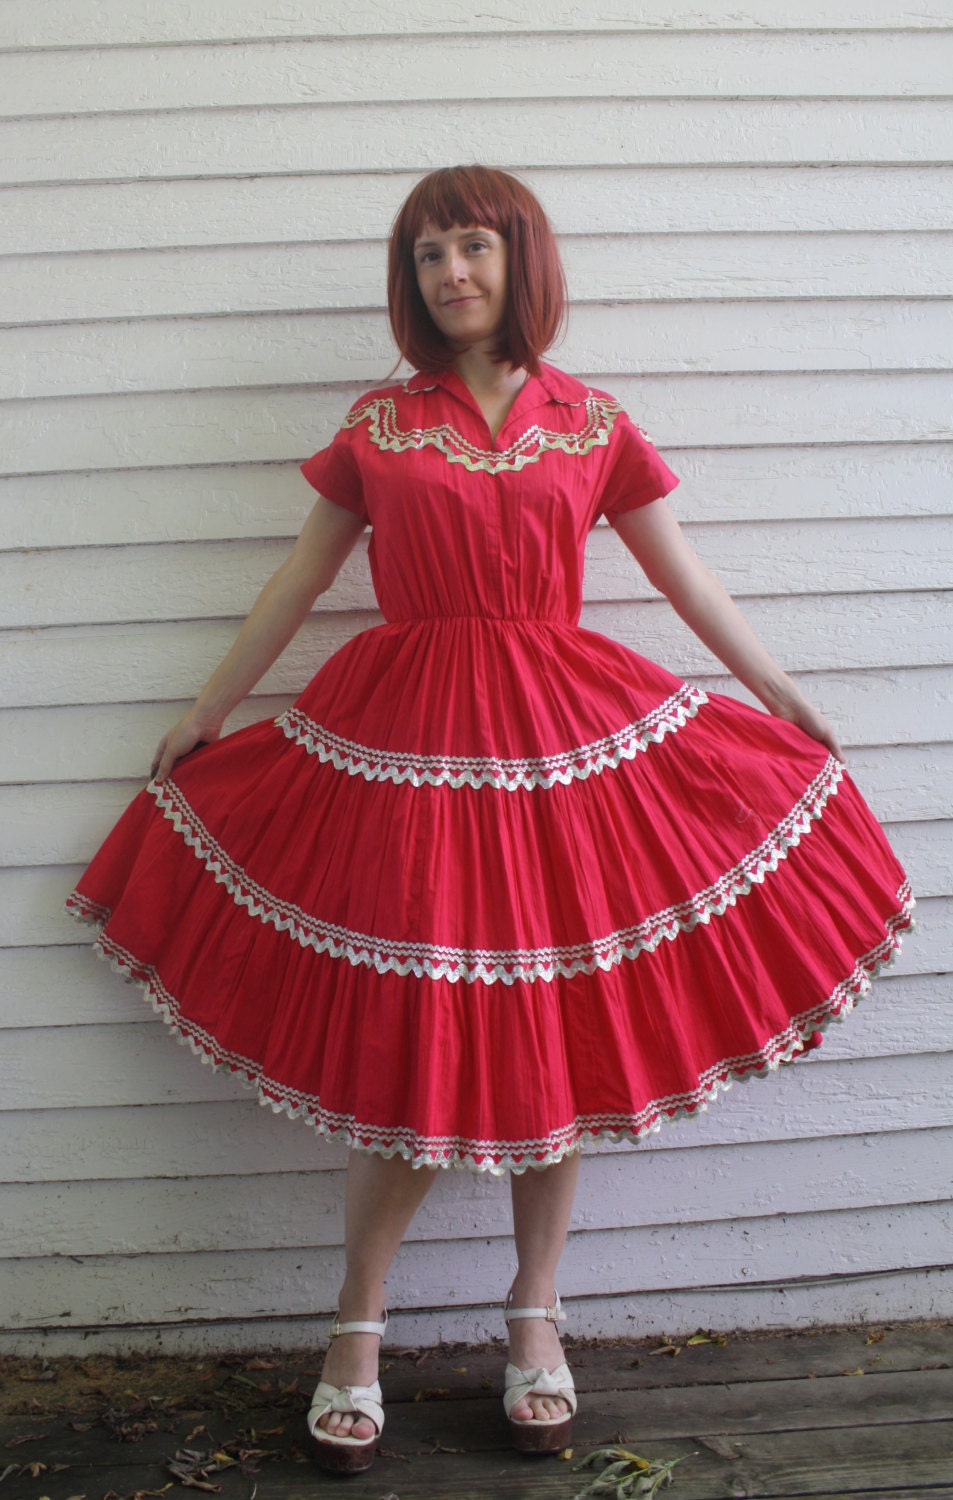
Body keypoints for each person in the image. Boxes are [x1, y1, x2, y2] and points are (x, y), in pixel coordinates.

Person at [67, 166, 913, 1475]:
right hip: (403, 748)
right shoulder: (380, 424)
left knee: (552, 1042)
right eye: (424, 255)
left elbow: (677, 573)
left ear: (521, 258)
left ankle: (536, 1321)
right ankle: (355, 1330)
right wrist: (207, 709)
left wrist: (779, 692)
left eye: (471, 246)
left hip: (562, 746)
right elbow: (301, 573)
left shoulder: (592, 422)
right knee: (408, 1042)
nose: (449, 273)